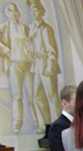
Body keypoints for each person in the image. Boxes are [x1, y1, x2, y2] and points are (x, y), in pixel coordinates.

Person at [0, 2, 33, 133]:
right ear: (7, 13)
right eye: (11, 11)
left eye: (16, 11)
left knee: (32, 95)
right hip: (14, 64)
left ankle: (38, 124)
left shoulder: (25, 27)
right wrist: (8, 52)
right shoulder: (4, 27)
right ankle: (17, 124)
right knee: (17, 95)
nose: (14, 13)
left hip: (28, 64)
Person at [27, 0, 59, 132]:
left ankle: (57, 126)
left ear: (41, 11)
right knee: (38, 97)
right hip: (37, 67)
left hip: (46, 66)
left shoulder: (46, 28)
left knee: (52, 96)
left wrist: (50, 67)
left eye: (36, 10)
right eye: (32, 10)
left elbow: (52, 51)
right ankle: (46, 127)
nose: (33, 13)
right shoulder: (31, 28)